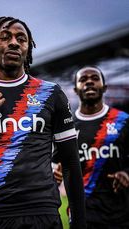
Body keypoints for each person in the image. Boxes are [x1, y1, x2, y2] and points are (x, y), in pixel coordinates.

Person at [0, 16, 86, 229]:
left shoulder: (51, 93)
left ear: (27, 48)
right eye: (4, 37)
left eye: (21, 39)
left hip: (43, 214)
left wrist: (79, 223)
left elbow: (70, 163)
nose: (14, 42)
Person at [53, 66, 129, 229]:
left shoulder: (123, 121)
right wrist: (53, 172)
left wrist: (127, 173)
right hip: (84, 215)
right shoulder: (66, 127)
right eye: (83, 79)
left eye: (94, 78)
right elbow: (52, 164)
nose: (89, 82)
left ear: (104, 87)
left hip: (121, 215)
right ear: (75, 89)